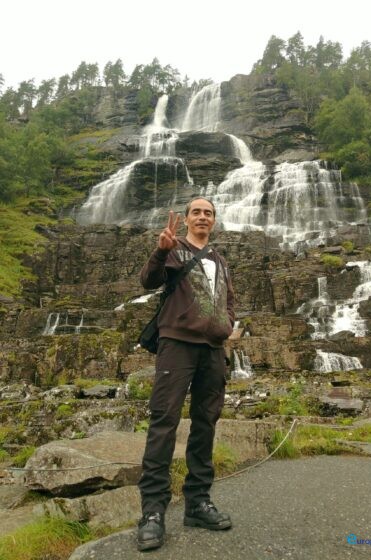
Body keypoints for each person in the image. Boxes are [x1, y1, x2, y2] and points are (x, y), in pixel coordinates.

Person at [137, 197, 235, 551]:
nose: (202, 217)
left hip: (213, 348)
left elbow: (229, 300)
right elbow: (148, 281)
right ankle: (152, 512)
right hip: (177, 343)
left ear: (213, 221)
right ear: (188, 219)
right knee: (164, 421)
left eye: (208, 213)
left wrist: (227, 324)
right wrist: (160, 251)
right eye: (197, 212)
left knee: (206, 422)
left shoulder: (220, 259)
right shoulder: (174, 249)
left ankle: (197, 502)